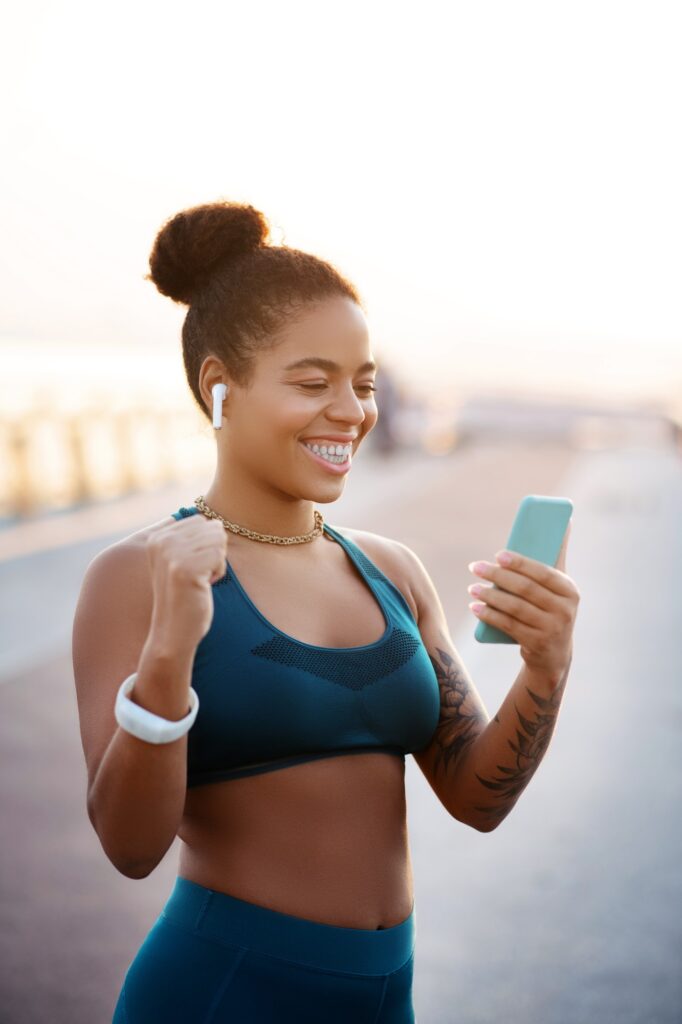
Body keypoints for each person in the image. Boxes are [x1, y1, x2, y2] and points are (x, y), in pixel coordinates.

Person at [72, 201, 580, 1023]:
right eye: (313, 383)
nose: (352, 410)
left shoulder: (390, 571)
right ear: (221, 389)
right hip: (222, 991)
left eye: (364, 382)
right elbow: (130, 849)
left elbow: (479, 798)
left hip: (386, 996)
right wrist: (169, 651)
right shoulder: (136, 574)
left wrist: (547, 665)